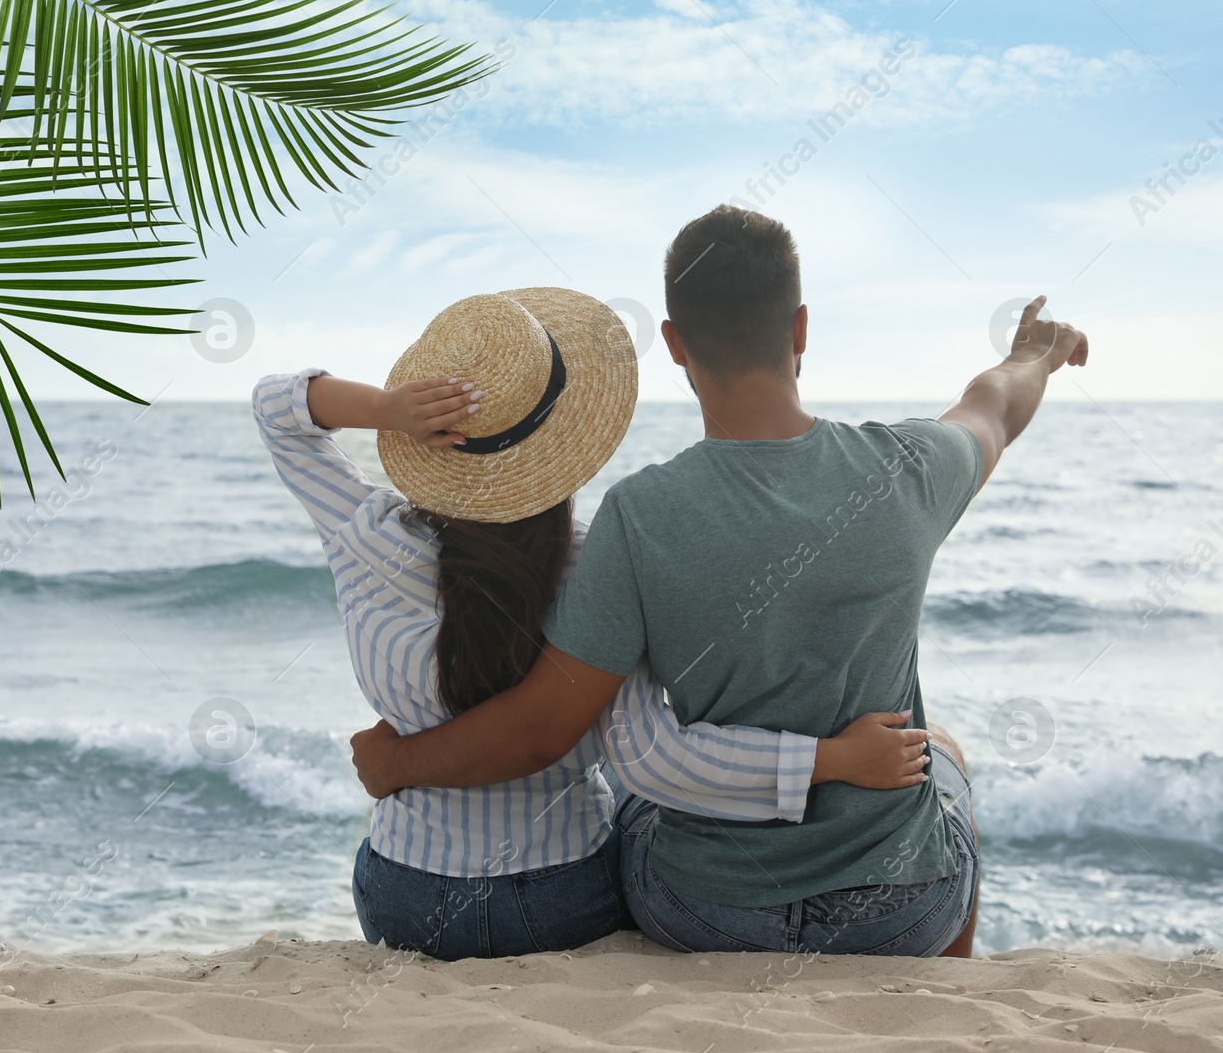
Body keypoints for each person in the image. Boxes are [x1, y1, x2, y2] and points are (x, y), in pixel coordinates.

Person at [349, 207, 1090, 959]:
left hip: (703, 909)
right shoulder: (909, 469)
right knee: (945, 757)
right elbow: (995, 405)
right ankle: (942, 981)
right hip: (894, 912)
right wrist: (1035, 352)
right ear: (800, 328)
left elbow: (545, 726)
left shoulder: (639, 515)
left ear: (674, 344)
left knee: (635, 791)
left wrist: (398, 763)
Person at [254, 287, 928, 961]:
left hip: (405, 898)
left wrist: (387, 410)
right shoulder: (596, 565)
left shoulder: (363, 531)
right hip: (559, 900)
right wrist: (830, 758)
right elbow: (651, 753)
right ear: (565, 440)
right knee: (644, 804)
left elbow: (276, 406)